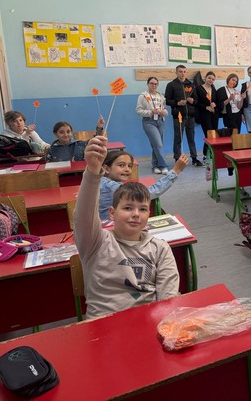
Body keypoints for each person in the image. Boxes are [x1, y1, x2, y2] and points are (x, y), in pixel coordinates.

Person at [74, 135, 179, 319]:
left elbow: (168, 298)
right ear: (112, 213)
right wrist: (92, 171)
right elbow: (84, 215)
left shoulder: (160, 248)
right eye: (128, 208)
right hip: (105, 324)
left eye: (143, 209)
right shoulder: (96, 242)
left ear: (149, 214)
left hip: (150, 322)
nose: (136, 214)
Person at [98, 147, 189, 222]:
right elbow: (149, 193)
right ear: (106, 169)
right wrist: (175, 171)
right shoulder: (111, 186)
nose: (127, 169)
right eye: (121, 165)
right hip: (110, 229)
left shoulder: (102, 181)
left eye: (129, 166)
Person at [165, 65, 202, 166]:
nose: (183, 73)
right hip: (178, 116)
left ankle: (194, 158)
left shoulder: (191, 85)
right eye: (180, 71)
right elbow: (167, 100)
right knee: (178, 138)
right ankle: (177, 159)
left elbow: (197, 100)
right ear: (176, 72)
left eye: (184, 71)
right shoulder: (171, 85)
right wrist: (177, 103)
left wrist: (193, 100)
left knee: (191, 138)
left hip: (190, 116)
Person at [136, 76, 169, 174]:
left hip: (160, 121)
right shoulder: (143, 96)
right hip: (149, 121)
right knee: (158, 144)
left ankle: (155, 166)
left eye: (155, 84)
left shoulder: (160, 96)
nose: (154, 85)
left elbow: (165, 108)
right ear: (148, 84)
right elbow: (138, 111)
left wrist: (164, 112)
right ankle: (163, 166)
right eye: (152, 83)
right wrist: (151, 112)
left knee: (157, 145)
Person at [194, 71, 219, 138]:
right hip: (204, 115)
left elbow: (217, 102)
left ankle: (210, 146)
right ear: (205, 78)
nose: (211, 80)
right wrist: (206, 107)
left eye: (213, 79)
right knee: (209, 136)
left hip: (214, 115)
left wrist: (215, 104)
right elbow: (196, 103)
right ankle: (208, 145)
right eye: (209, 78)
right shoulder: (198, 89)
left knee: (215, 135)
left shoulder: (214, 89)